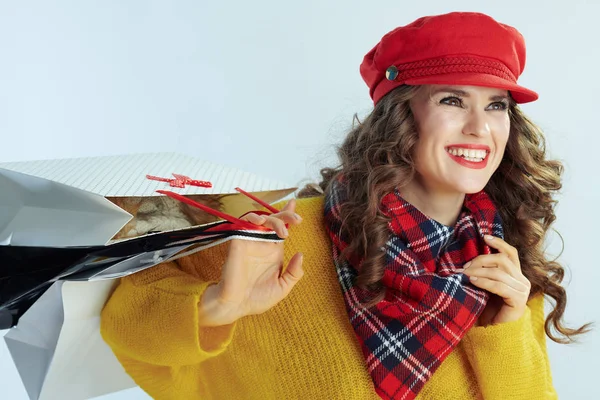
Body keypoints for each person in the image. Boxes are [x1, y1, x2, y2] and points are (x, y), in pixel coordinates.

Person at [100, 11, 591, 400]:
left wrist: (505, 331)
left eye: (496, 105)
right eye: (451, 100)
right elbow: (127, 323)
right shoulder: (283, 238)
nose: (479, 128)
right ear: (400, 116)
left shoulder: (503, 263)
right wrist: (219, 305)